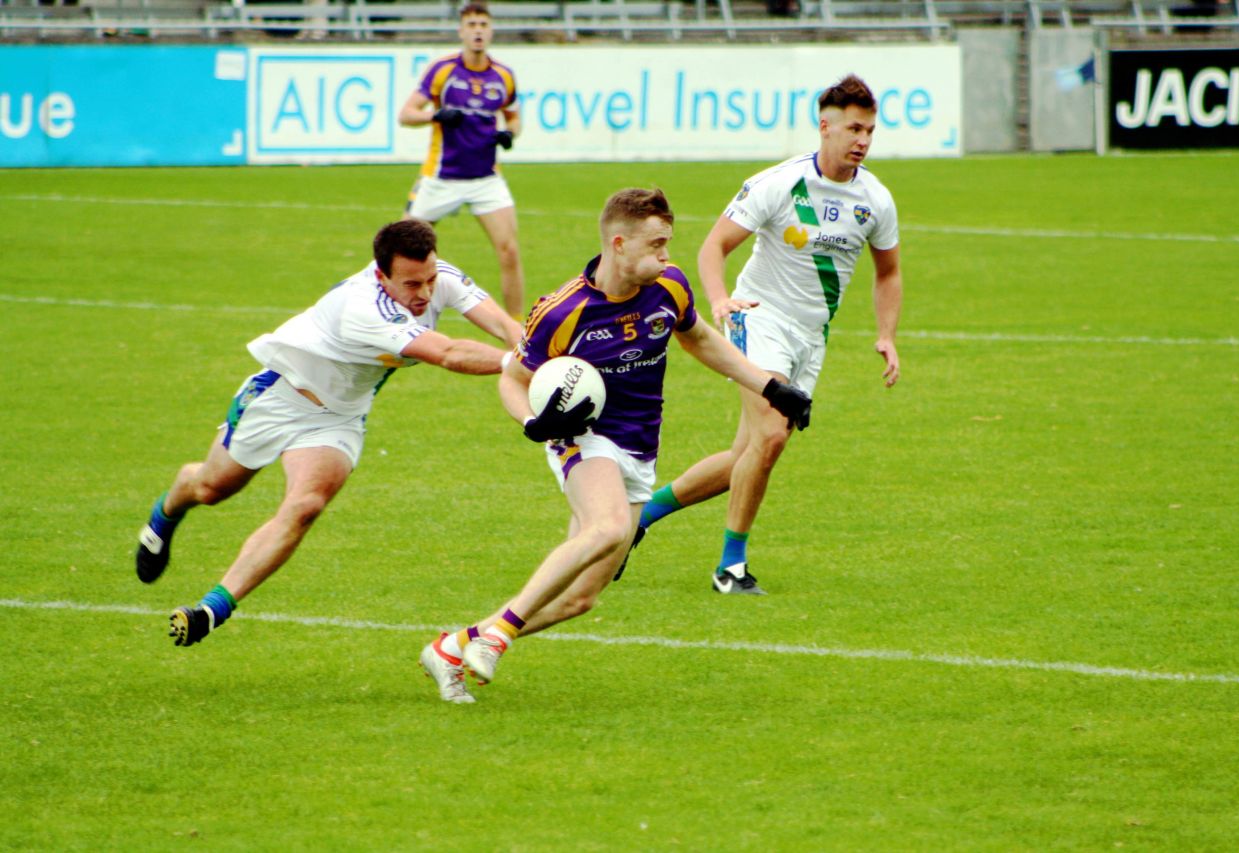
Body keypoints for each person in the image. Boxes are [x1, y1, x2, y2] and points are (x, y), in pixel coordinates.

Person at [418, 188, 811, 704]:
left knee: (579, 598)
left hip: (640, 450)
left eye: (668, 243)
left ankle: (452, 647)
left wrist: (770, 386)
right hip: (582, 440)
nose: (667, 255)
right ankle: (499, 634)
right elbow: (511, 378)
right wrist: (532, 421)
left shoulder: (669, 287)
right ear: (619, 244)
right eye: (657, 244)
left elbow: (700, 340)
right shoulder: (562, 312)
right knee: (607, 527)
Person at [135, 220, 522, 647]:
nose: (426, 294)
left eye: (430, 279)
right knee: (211, 487)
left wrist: (541, 352)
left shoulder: (438, 276)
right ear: (381, 276)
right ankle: (164, 515)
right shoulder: (361, 309)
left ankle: (212, 609)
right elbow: (447, 353)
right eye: (412, 284)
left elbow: (507, 326)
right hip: (280, 397)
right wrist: (517, 365)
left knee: (305, 505)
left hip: (338, 418)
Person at [631, 73, 903, 596]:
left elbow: (888, 272)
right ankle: (731, 567)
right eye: (852, 128)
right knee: (773, 436)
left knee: (748, 455)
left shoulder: (876, 200)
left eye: (869, 130)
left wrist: (886, 334)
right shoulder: (778, 183)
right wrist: (719, 301)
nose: (862, 140)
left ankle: (639, 517)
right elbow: (713, 248)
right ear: (825, 127)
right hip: (759, 319)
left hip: (811, 338)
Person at [398, 2, 524, 318]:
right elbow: (406, 114)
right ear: (462, 31)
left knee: (509, 251)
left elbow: (514, 117)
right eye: (472, 25)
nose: (478, 30)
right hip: (441, 177)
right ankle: (387, 316)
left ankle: (519, 334)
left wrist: (510, 133)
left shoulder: (504, 76)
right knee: (399, 247)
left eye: (483, 24)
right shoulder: (443, 70)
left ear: (491, 30)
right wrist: (435, 115)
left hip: (486, 178)